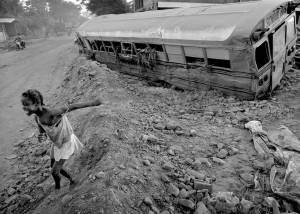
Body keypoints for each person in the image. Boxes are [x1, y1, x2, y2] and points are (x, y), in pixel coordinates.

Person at [20, 89, 103, 192]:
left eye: (26, 104)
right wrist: (42, 137)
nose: (24, 107)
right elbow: (43, 133)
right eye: (23, 104)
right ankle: (70, 179)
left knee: (54, 172)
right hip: (57, 143)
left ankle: (59, 184)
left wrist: (94, 103)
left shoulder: (52, 112)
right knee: (52, 166)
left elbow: (73, 106)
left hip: (66, 142)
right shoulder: (37, 118)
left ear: (37, 103)